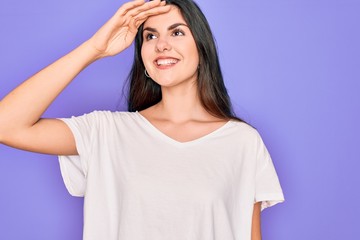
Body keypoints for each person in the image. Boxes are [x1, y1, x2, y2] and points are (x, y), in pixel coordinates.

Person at [0, 0, 284, 239]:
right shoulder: (106, 132)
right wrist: (94, 50)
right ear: (142, 56)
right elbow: (6, 125)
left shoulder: (242, 142)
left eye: (177, 33)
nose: (161, 45)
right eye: (150, 36)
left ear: (202, 47)